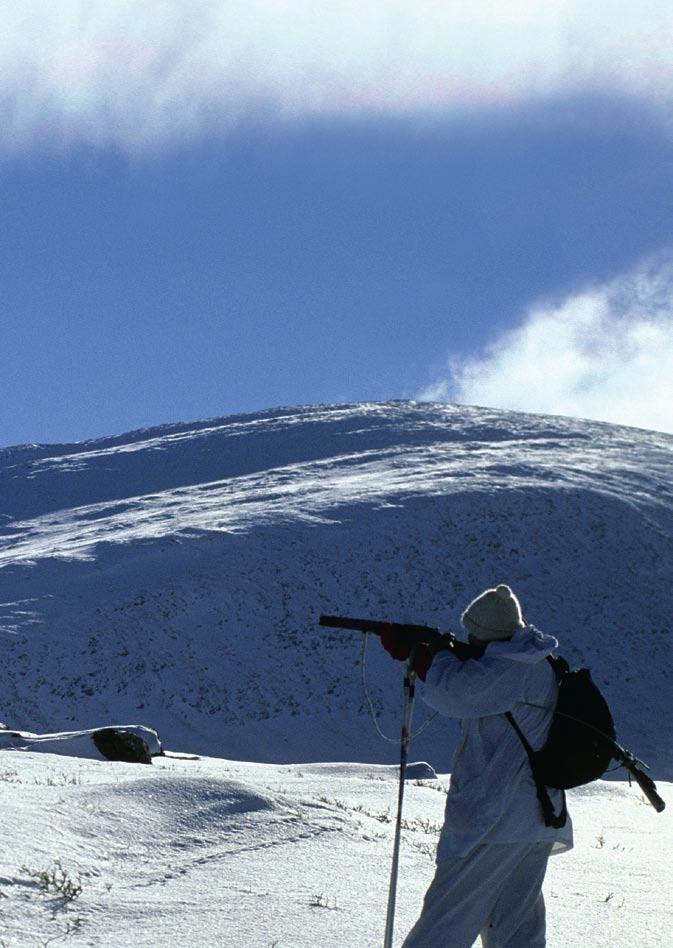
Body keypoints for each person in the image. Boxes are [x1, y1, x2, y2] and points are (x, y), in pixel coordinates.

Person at [382, 584, 573, 948]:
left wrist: (426, 658)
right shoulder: (531, 659)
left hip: (497, 819)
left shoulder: (510, 671)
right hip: (533, 819)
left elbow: (455, 692)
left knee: (444, 923)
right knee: (515, 927)